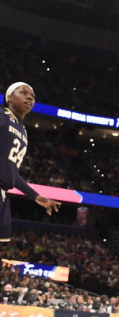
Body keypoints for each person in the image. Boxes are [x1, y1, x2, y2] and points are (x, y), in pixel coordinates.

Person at [1, 82, 61, 243]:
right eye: (23, 92)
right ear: (10, 98)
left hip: (3, 193)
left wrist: (37, 197)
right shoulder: (3, 115)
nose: (29, 97)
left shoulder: (23, 131)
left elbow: (12, 173)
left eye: (33, 96)